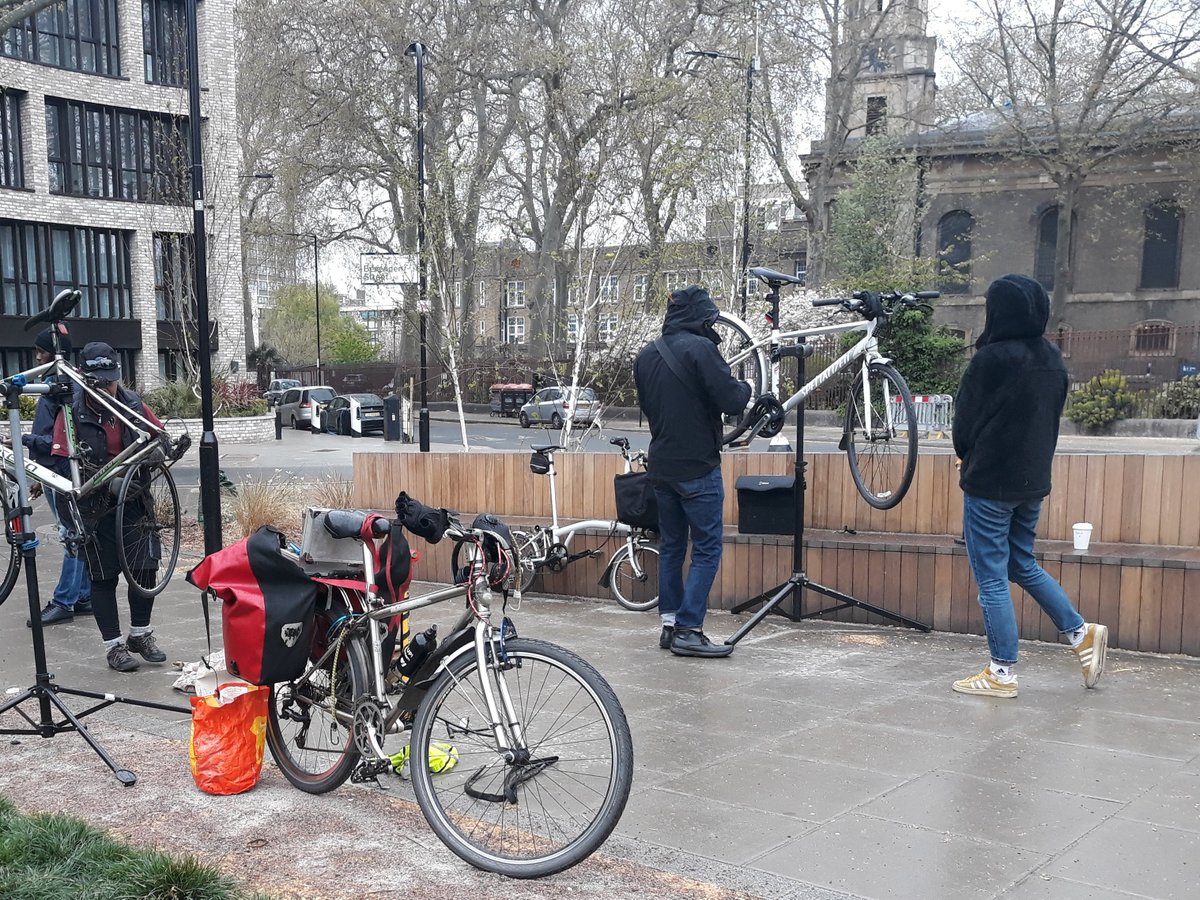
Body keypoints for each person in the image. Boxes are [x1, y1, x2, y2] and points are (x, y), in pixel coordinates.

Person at [951, 273, 1107, 698]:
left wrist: (965, 454)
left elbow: (964, 421)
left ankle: (1001, 673)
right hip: (1032, 482)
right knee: (1021, 564)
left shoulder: (991, 359)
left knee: (992, 579)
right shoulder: (1052, 359)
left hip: (990, 484)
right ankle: (1080, 635)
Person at [634, 285, 751, 658]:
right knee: (706, 548)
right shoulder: (702, 349)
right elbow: (732, 399)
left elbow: (651, 408)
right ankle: (689, 628)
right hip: (698, 467)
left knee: (671, 546)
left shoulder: (646, 356)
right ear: (703, 316)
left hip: (662, 468)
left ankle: (669, 624)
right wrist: (747, 385)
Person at [53, 342, 166, 673]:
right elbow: (62, 470)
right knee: (103, 578)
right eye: (98, 381)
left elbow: (160, 437)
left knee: (145, 569)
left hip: (135, 502)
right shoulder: (72, 413)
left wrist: (157, 450)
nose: (106, 387)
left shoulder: (132, 404)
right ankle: (114, 646)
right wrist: (101, 483)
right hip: (94, 508)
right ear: (85, 378)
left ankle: (140, 635)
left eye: (110, 380)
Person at [19, 325, 92, 626]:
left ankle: (64, 601)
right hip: (57, 469)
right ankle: (83, 595)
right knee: (78, 531)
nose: (36, 356)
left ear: (50, 352)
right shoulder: (68, 381)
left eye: (40, 351)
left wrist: (25, 440)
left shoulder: (58, 385)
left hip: (61, 470)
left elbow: (59, 440)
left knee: (71, 533)